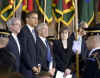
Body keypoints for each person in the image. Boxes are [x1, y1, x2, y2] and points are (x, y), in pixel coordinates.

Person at [18, 11, 39, 78]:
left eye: (37, 18)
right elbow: (24, 51)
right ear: (27, 19)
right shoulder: (23, 31)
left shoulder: (35, 32)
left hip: (36, 69)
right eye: (33, 18)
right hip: (27, 69)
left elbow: (36, 50)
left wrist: (38, 65)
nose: (36, 20)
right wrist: (32, 66)